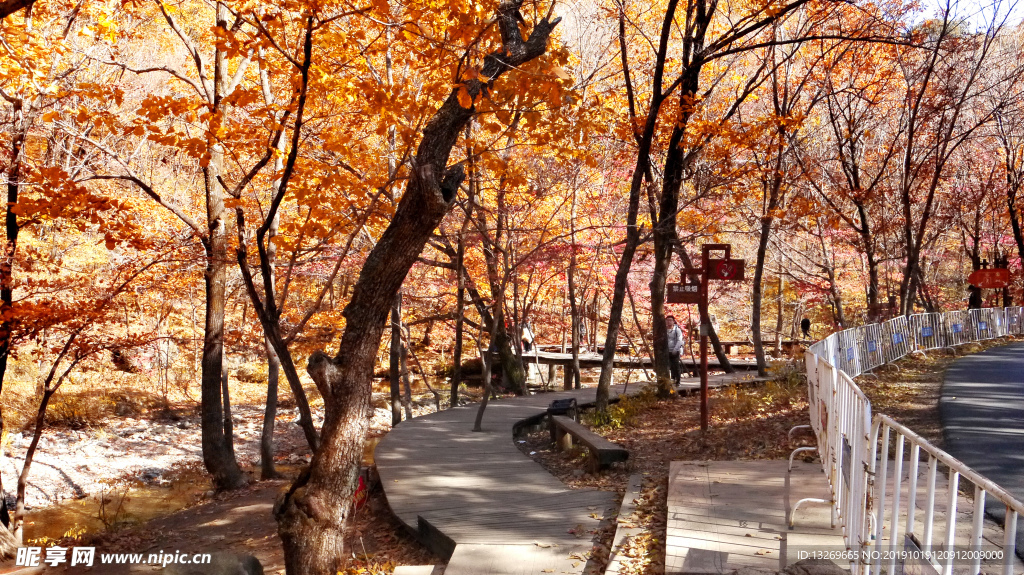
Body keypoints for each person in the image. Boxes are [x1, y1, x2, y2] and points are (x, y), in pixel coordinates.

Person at [666, 315, 684, 387]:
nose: (669, 322)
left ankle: (678, 381)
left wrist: (675, 350)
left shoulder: (677, 330)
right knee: (669, 366)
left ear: (673, 321)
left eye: (670, 320)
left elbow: (679, 340)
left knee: (676, 366)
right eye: (667, 320)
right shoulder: (664, 330)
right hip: (666, 351)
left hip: (675, 351)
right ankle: (671, 380)